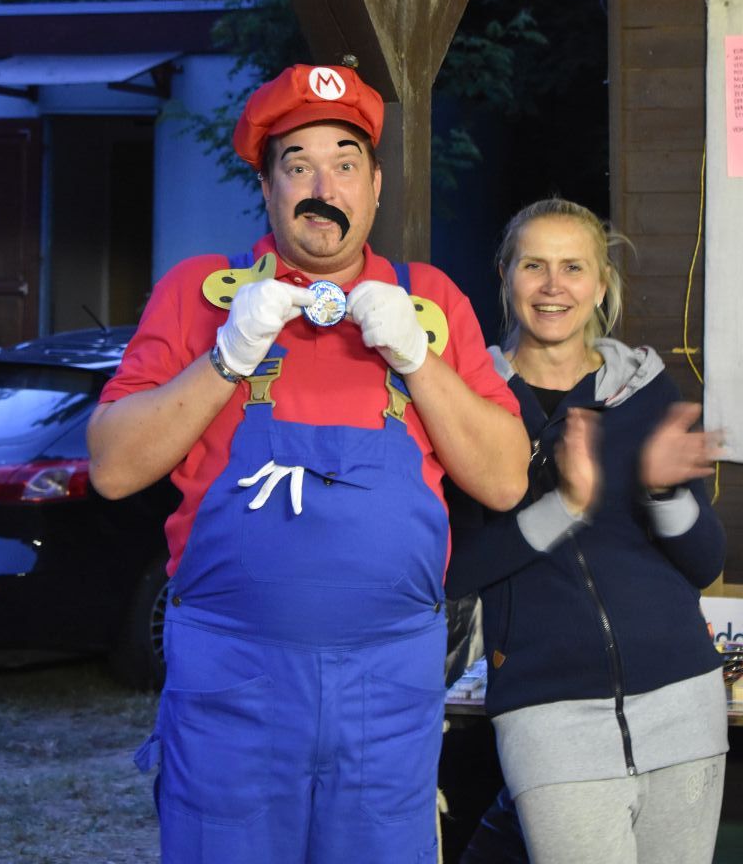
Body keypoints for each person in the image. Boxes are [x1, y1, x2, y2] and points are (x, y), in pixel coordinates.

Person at [87, 61, 529, 864]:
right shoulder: (201, 294)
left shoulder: (431, 302)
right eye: (298, 165)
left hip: (389, 688)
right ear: (267, 188)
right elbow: (113, 468)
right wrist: (227, 356)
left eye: (345, 163)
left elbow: (503, 479)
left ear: (376, 186)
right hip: (232, 682)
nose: (324, 186)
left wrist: (417, 358)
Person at [450, 197, 728, 864]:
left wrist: (662, 491)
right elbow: (458, 568)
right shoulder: (470, 401)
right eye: (534, 265)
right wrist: (566, 506)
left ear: (600, 286)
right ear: (506, 276)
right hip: (549, 716)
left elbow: (704, 562)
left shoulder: (646, 392)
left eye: (573, 267)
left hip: (684, 703)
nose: (554, 286)